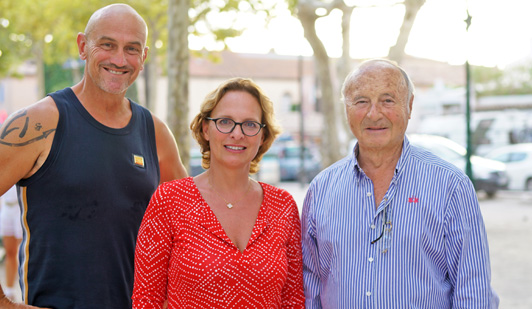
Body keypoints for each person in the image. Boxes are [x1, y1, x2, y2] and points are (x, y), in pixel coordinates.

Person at [0, 4, 187, 308]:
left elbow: (188, 221)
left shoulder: (154, 131)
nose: (119, 59)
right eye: (107, 45)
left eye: (132, 49)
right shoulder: (41, 122)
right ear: (82, 46)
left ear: (143, 58)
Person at [301, 59, 499, 308]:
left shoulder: (450, 186)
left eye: (387, 100)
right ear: (346, 108)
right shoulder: (321, 189)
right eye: (361, 101)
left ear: (410, 105)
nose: (374, 113)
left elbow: (474, 291)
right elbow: (311, 288)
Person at [132, 77, 305, 308]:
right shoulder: (170, 200)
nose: (237, 133)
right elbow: (146, 299)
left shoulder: (283, 206)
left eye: (250, 124)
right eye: (225, 122)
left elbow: (293, 300)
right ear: (206, 129)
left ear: (263, 136)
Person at [0, 185, 22, 301]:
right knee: (10, 252)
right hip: (6, 208)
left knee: (26, 252)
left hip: (21, 207)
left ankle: (27, 291)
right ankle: (9, 290)